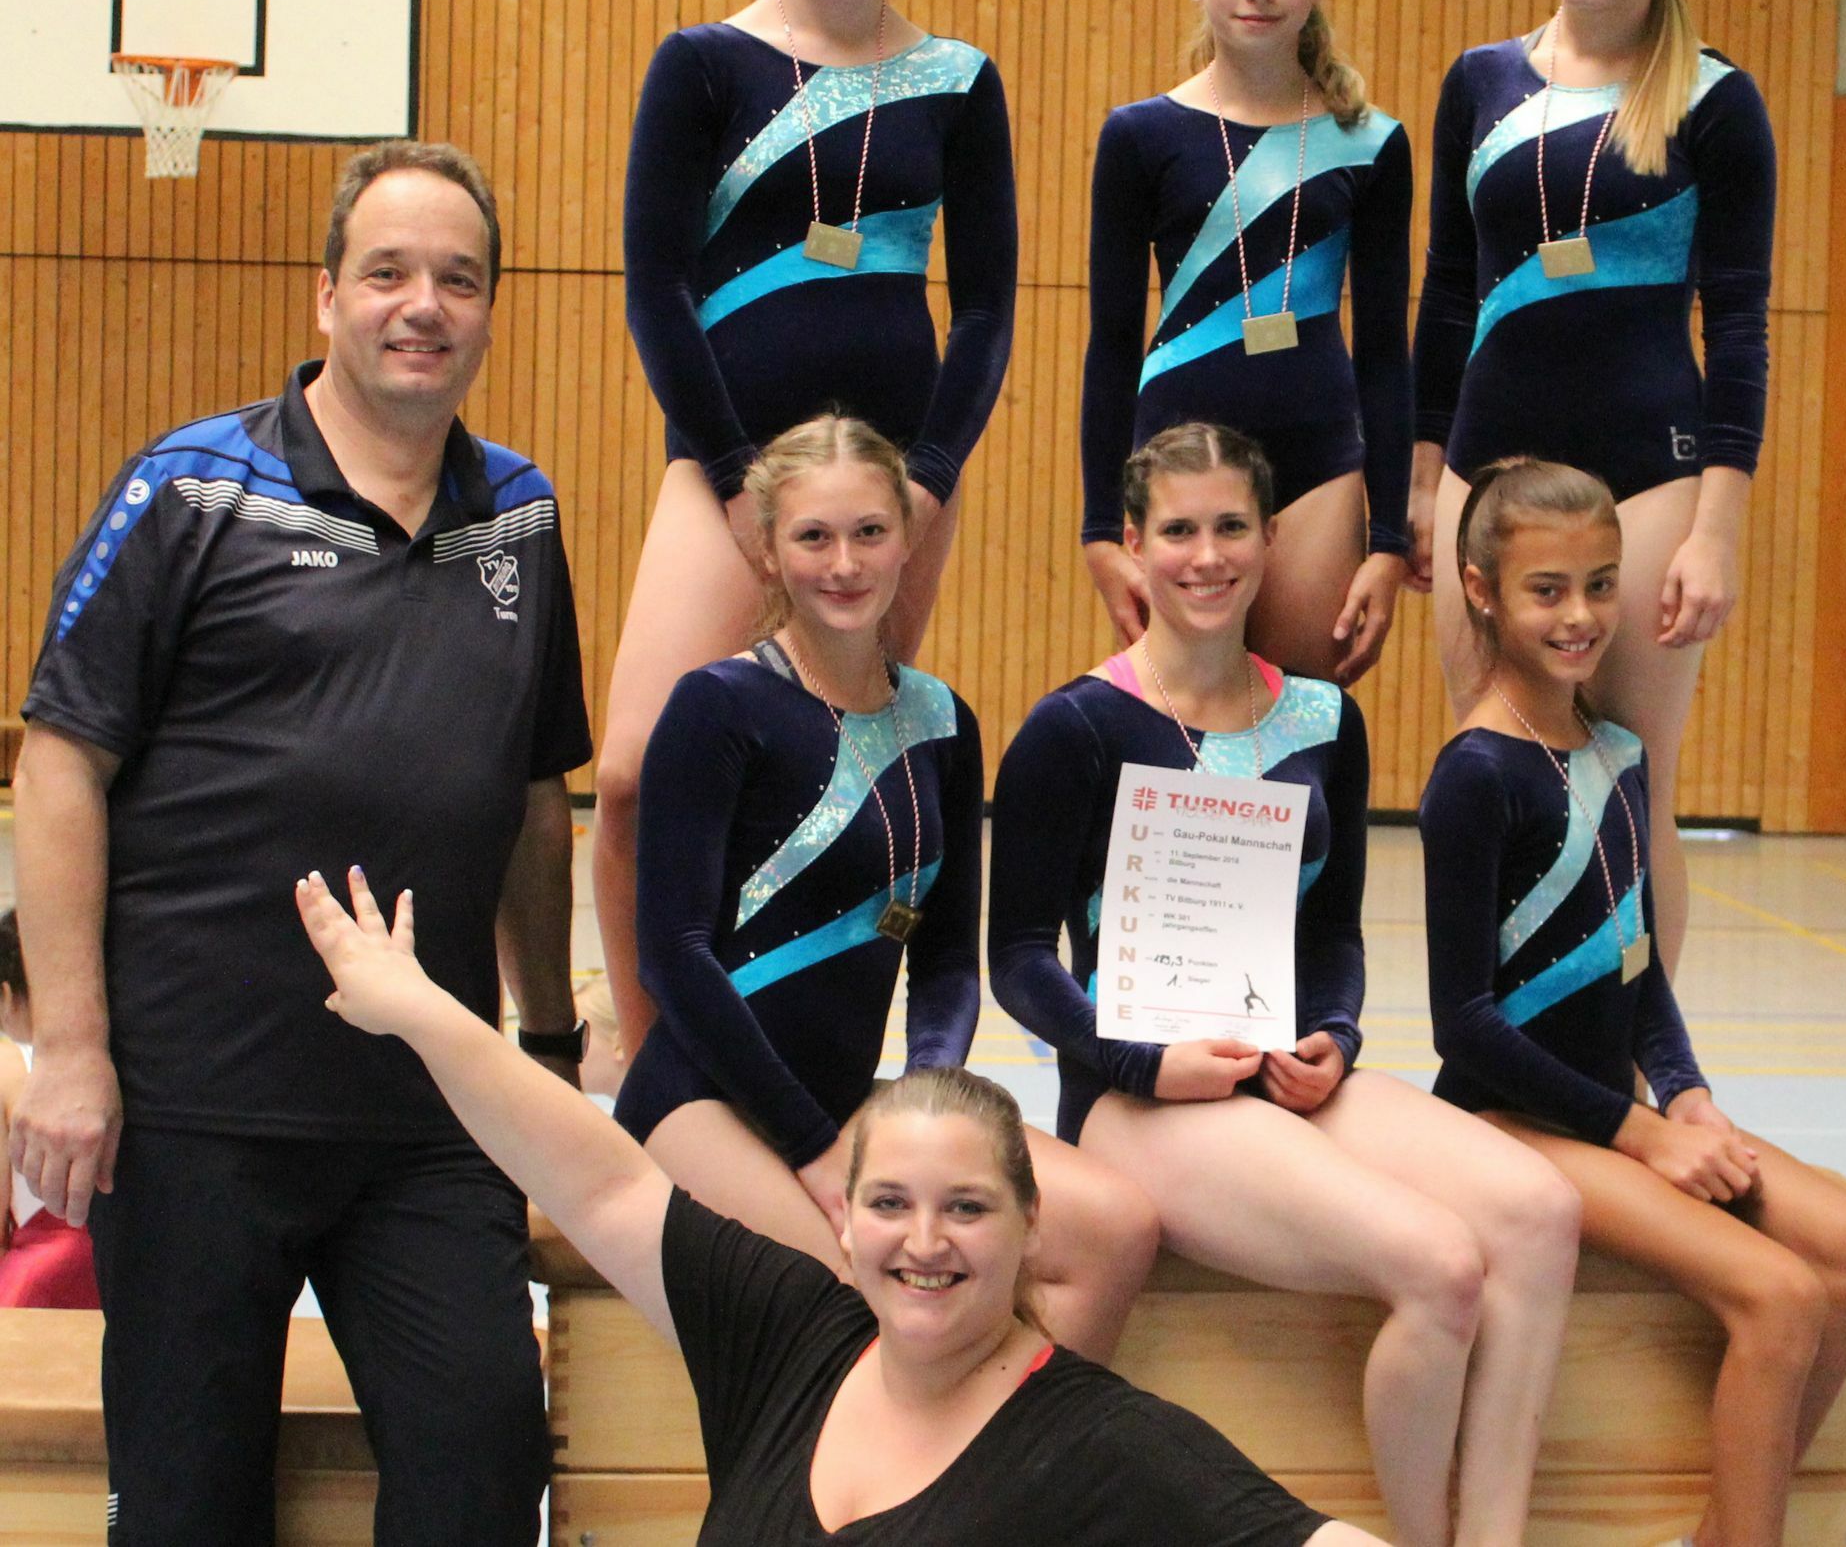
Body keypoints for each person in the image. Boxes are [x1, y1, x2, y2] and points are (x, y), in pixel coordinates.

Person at [9, 141, 594, 1544]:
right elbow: (61, 759)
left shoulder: (519, 513)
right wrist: (72, 1048)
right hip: (195, 1110)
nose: (422, 304)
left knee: (483, 1463)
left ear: (490, 312)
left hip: (428, 1115)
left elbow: (533, 795)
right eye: (387, 271)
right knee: (186, 1510)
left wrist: (548, 1045)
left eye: (458, 278)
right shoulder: (191, 487)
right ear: (326, 295)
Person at [296, 864, 1387, 1547]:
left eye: (966, 1208)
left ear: (1029, 1228)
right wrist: (423, 1014)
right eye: (890, 1202)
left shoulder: (1095, 1440)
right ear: (848, 1218)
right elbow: (601, 1177)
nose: (923, 1240)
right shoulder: (787, 1334)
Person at [990, 421, 1582, 1547]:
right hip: (1141, 1097)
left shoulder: (1322, 718)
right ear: (1132, 543)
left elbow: (1334, 932)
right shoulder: (1077, 726)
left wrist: (1337, 1037)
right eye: (1178, 530)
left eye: (1231, 527)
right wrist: (1140, 1059)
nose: (1206, 556)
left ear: (1270, 538)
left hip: (1284, 1069)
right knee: (1440, 1266)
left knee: (1540, 1213)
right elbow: (1016, 956)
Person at [599, 0, 1017, 1055]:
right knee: (632, 773)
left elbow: (987, 308)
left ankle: (810, 1041)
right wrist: (729, 471)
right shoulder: (704, 65)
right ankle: (648, 1048)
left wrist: (929, 478)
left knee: (834, 768)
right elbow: (657, 284)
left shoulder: (957, 80)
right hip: (730, 464)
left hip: (893, 481)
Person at [1419, 457, 1846, 1547]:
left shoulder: (1618, 754)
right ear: (1481, 589)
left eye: (1600, 584)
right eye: (1547, 590)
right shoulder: (1475, 774)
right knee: (1778, 1296)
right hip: (1507, 1118)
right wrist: (1640, 1132)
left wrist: (1685, 1095)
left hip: (1613, 1113)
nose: (1581, 616)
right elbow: (1464, 1024)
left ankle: (1720, 1531)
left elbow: (1634, 972)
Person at [615, 413, 1154, 1359]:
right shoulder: (718, 707)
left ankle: (1023, 1450)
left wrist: (921, 1108)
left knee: (1114, 1228)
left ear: (908, 538)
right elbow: (673, 956)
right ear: (768, 551)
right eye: (813, 537)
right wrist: (815, 1149)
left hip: (853, 1106)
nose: (845, 563)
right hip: (707, 1101)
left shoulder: (943, 722)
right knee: (872, 1300)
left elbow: (945, 962)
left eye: (869, 532)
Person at [1408, 0, 1779, 981]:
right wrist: (1421, 475)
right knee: (1492, 772)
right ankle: (1498, 1045)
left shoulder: (1713, 101)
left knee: (1631, 782)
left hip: (1647, 470)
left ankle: (1634, 1058)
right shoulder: (1478, 82)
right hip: (1485, 468)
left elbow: (1737, 324)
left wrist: (1715, 528)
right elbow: (1445, 296)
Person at [1082, 0, 1411, 685]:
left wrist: (1388, 542)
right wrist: (1099, 529)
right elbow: (1112, 344)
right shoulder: (1140, 137)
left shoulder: (1369, 143)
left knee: (1300, 718)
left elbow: (1384, 352)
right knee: (1186, 722)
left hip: (1317, 460)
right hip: (1178, 452)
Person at [0, 909, 100, 1308]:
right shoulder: (114, 1066)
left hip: (40, 1273)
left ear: (6, 995)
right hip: (129, 1269)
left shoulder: (6, 1064)